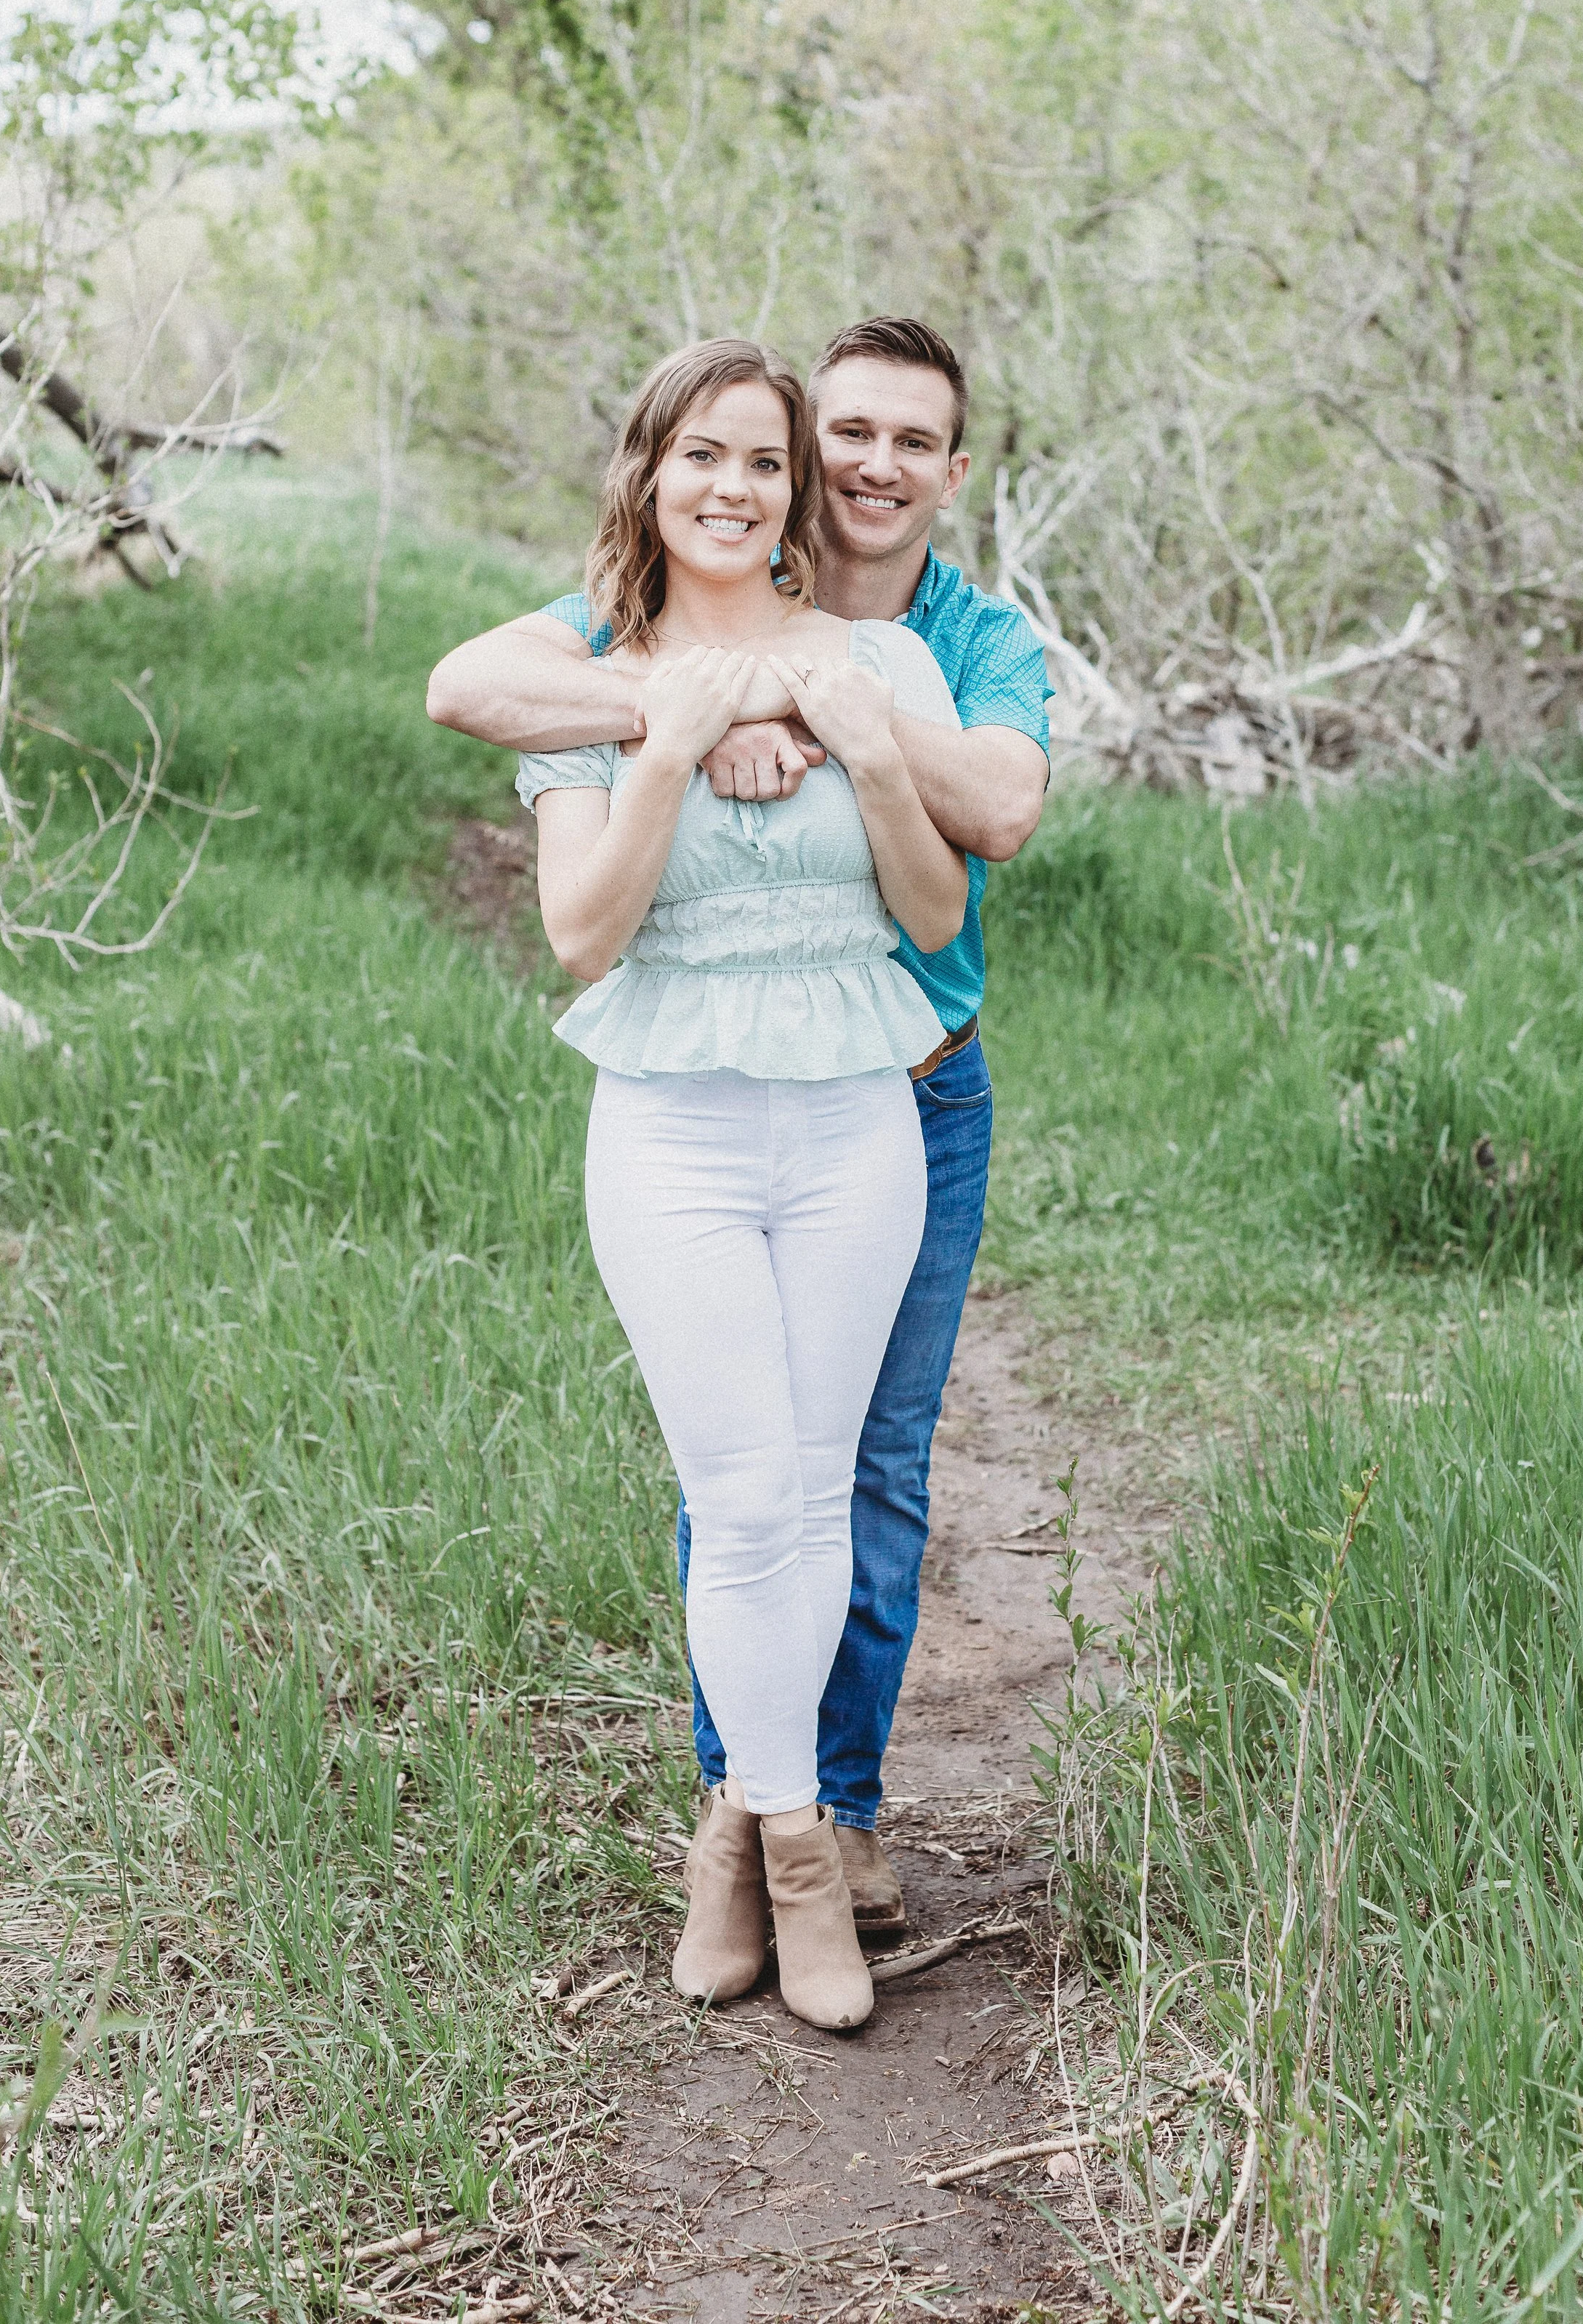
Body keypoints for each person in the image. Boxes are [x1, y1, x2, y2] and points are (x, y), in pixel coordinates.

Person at [428, 318, 1052, 1940]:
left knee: (868, 1470)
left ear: (949, 472)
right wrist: (679, 717)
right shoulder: (627, 636)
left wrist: (838, 713)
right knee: (742, 1482)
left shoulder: (948, 644)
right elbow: (474, 689)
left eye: (906, 444)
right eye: (836, 435)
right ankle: (751, 1814)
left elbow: (991, 818)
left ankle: (831, 1815)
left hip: (906, 1080)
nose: (865, 467)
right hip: (692, 1096)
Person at [513, 334, 970, 2028]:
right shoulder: (598, 671)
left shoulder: (868, 659)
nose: (733, 486)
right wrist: (668, 743)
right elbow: (579, 931)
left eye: (762, 463)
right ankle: (780, 1850)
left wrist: (853, 745)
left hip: (854, 1122)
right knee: (744, 1492)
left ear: (792, 497)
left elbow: (930, 914)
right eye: (700, 455)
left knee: (820, 1476)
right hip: (673, 1130)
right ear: (649, 471)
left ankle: (748, 1828)